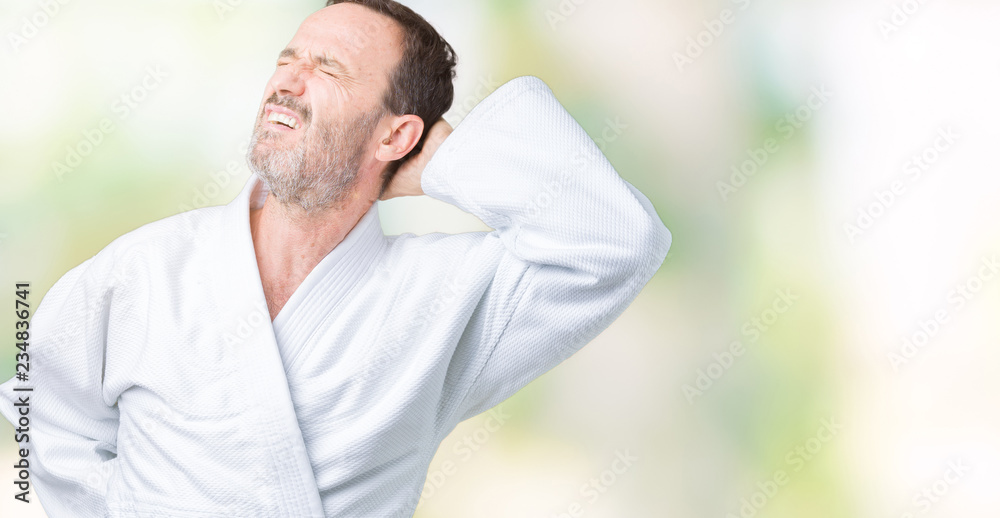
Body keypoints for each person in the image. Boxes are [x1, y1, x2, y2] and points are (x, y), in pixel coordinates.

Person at [0, 0, 671, 516]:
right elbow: (43, 416)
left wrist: (441, 161)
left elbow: (617, 238)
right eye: (288, 59)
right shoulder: (143, 269)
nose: (287, 82)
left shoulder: (444, 297)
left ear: (397, 133)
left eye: (328, 69)